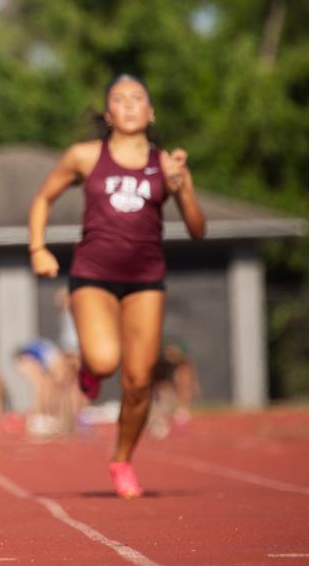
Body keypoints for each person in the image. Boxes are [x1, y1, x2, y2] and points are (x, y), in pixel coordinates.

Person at [27, 74, 206, 497]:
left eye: (137, 98)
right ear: (108, 115)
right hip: (93, 274)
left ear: (150, 111)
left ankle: (122, 458)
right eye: (119, 100)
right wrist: (38, 247)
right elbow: (43, 198)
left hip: (145, 280)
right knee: (106, 361)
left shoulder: (168, 165)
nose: (128, 105)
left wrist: (183, 189)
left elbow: (198, 230)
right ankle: (91, 368)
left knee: (140, 380)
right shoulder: (86, 156)